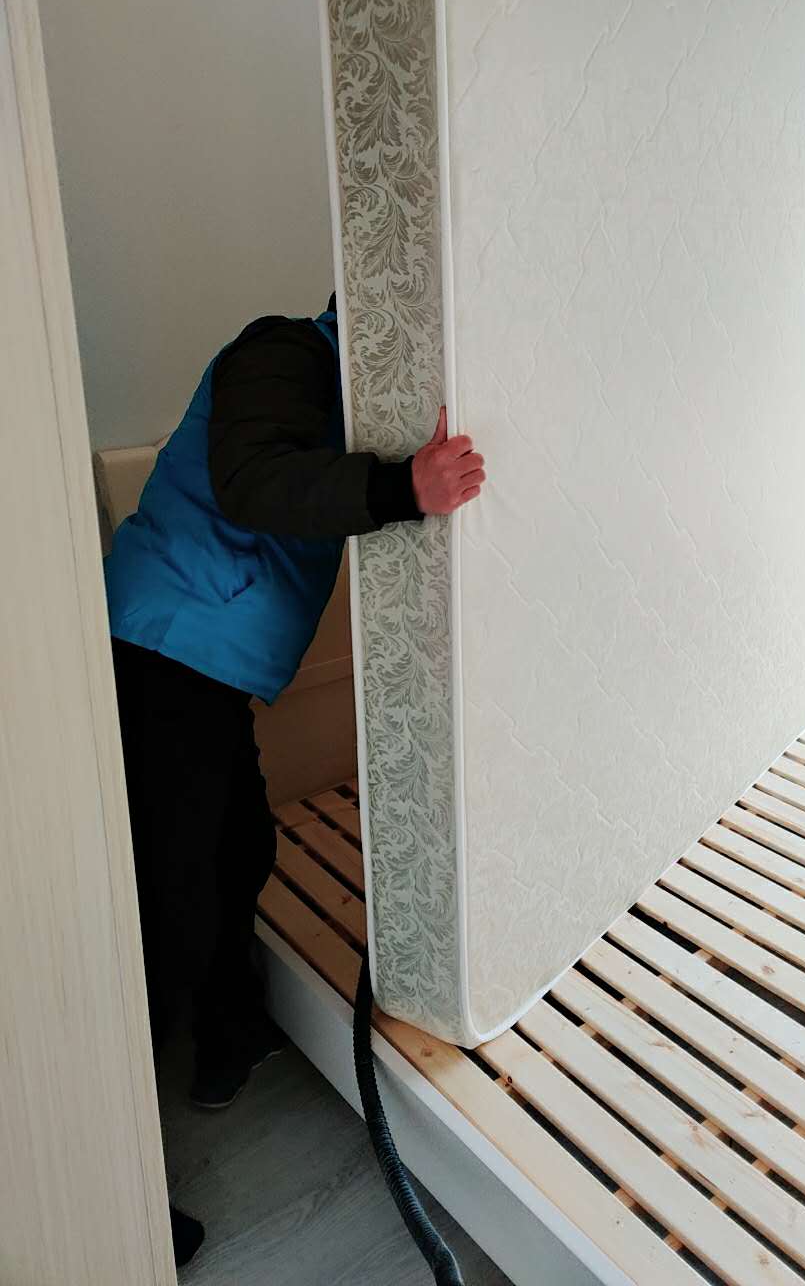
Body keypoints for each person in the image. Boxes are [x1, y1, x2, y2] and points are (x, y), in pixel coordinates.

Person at [105, 294, 484, 1266]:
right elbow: (252, 483)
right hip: (161, 648)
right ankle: (110, 1191)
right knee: (168, 909)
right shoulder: (280, 354)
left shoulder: (340, 405)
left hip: (206, 660)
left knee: (240, 849)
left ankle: (227, 1039)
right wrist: (405, 486)